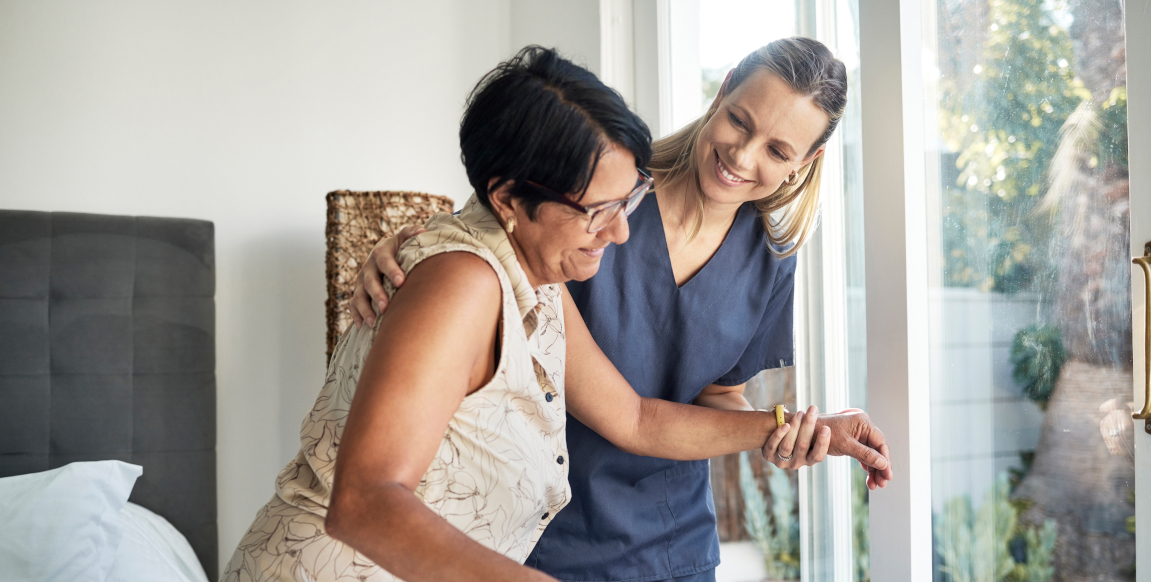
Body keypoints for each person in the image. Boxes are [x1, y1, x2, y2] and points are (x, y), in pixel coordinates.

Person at [221, 46, 840, 582]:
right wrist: (409, 256)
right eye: (602, 209)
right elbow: (363, 500)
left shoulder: (544, 280)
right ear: (511, 201)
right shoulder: (474, 274)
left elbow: (635, 418)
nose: (622, 232)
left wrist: (797, 429)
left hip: (623, 540)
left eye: (627, 204)